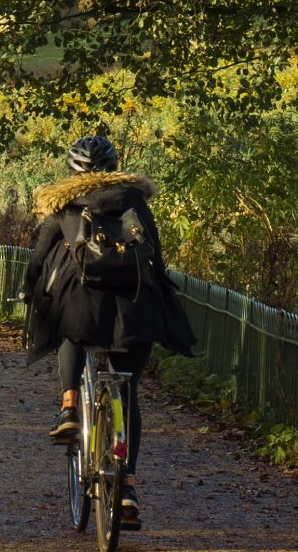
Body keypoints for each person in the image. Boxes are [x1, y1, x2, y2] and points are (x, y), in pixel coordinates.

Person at [22, 133, 197, 528]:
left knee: (68, 329)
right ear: (115, 168)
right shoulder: (134, 200)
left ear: (72, 171)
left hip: (82, 303)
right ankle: (129, 487)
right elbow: (154, 252)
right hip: (137, 307)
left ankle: (69, 406)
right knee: (128, 389)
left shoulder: (64, 202)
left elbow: (39, 255)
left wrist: (28, 289)